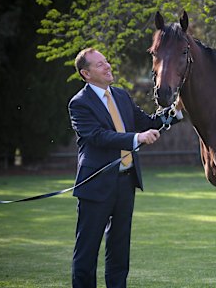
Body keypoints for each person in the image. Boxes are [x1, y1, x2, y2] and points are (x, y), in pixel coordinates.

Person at [68, 47, 180, 288]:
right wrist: (136, 139)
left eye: (106, 61)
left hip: (125, 183)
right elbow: (98, 136)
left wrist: (176, 112)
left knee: (119, 251)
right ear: (86, 74)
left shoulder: (121, 96)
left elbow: (149, 122)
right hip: (95, 186)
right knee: (86, 252)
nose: (108, 66)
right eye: (100, 65)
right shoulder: (79, 104)